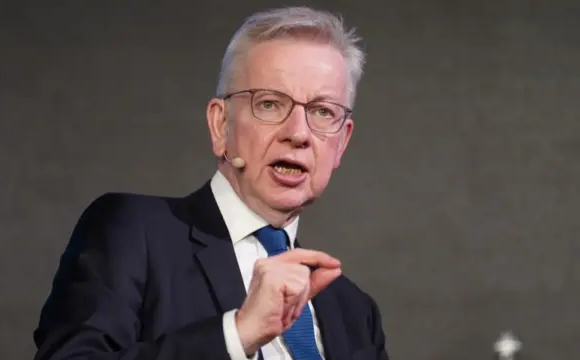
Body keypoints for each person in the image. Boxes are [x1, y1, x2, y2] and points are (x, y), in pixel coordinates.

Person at [33, 6, 389, 360]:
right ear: (221, 125)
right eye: (269, 104)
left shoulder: (355, 314)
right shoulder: (135, 233)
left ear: (341, 143)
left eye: (323, 111)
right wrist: (238, 334)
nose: (298, 133)